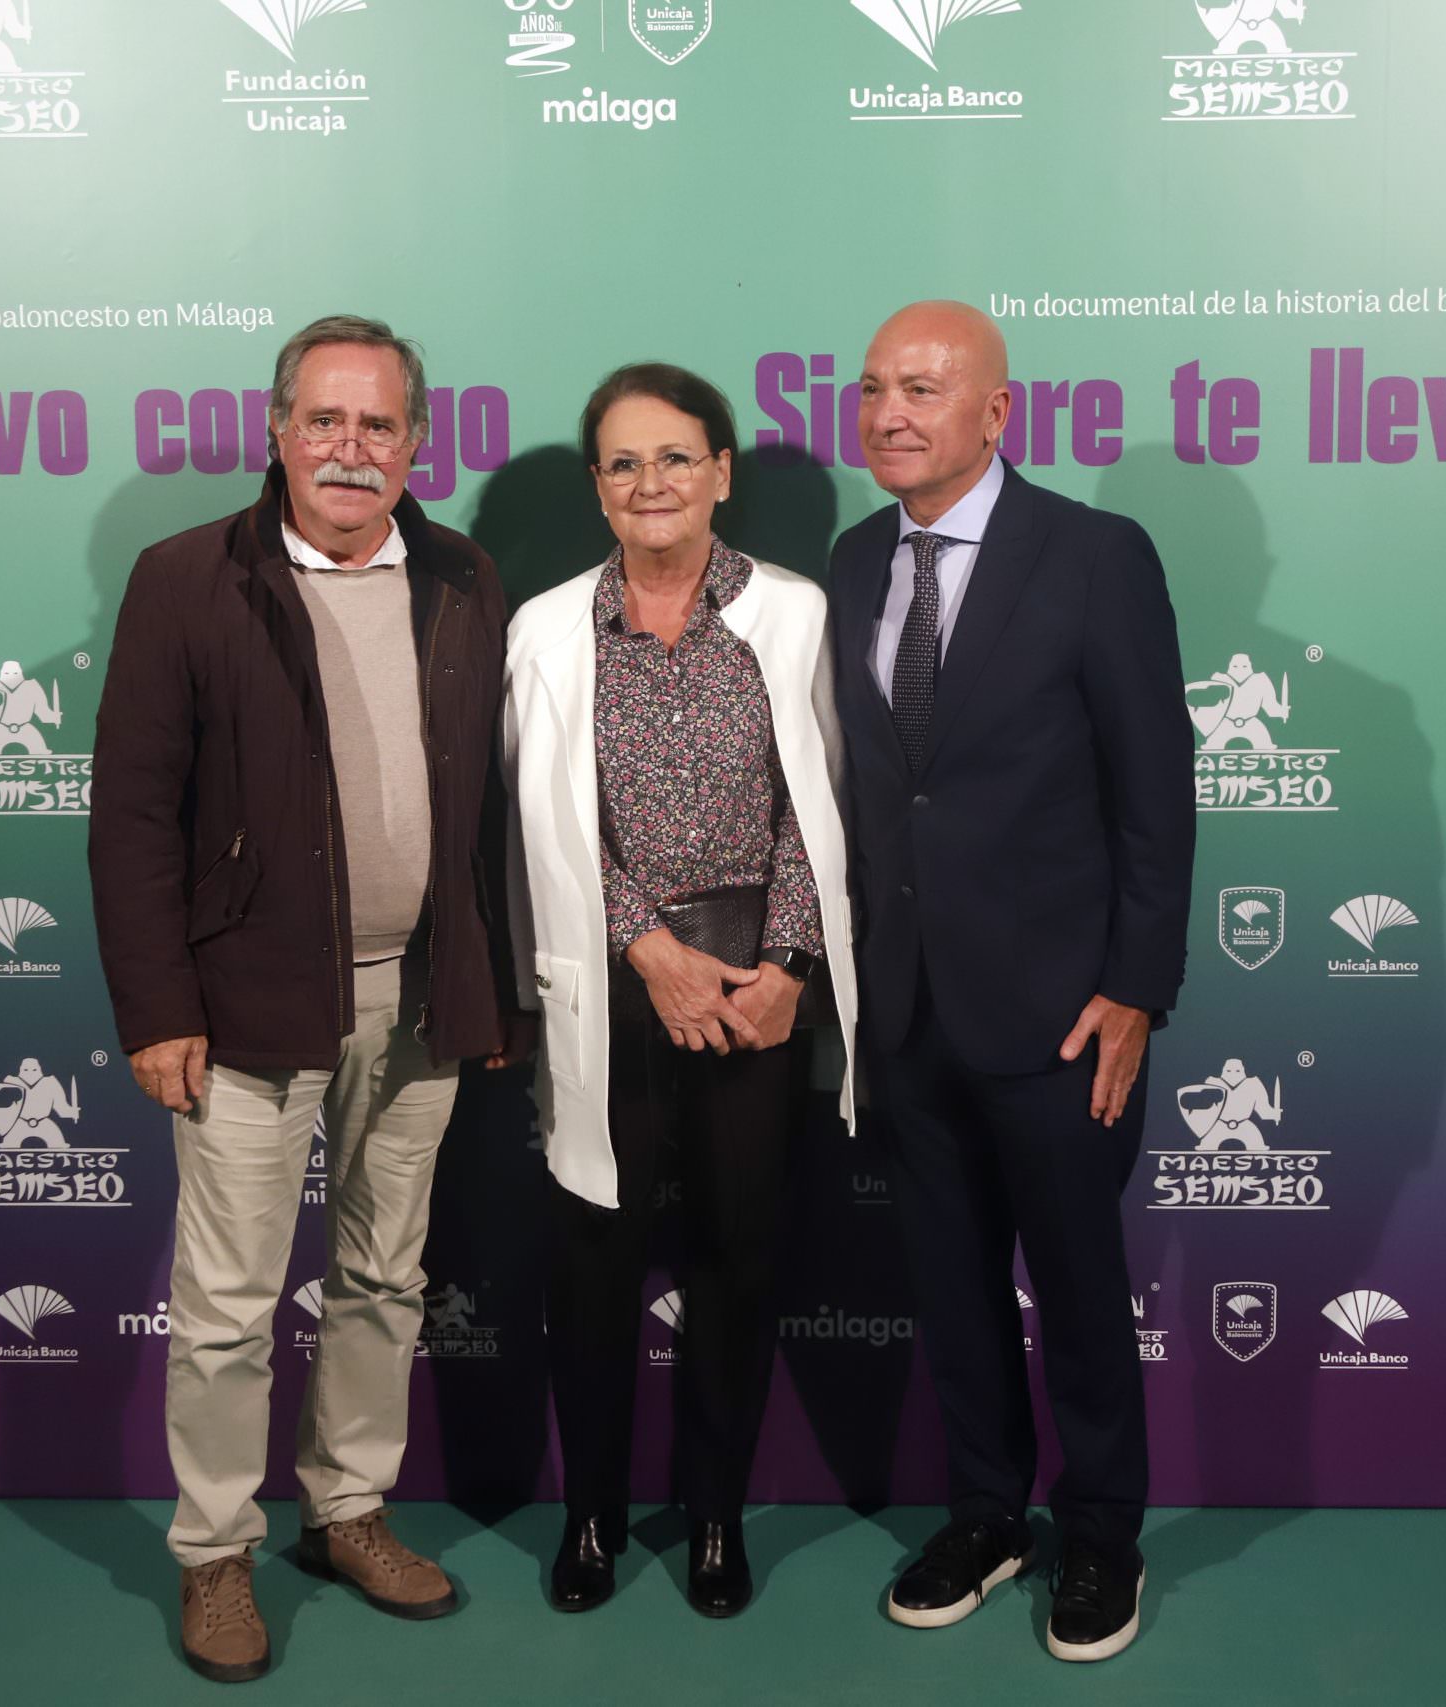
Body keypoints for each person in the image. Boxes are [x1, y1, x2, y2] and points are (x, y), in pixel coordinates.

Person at [90, 313, 529, 1684]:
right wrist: (159, 1007)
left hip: (422, 997)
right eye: (323, 419)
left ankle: (347, 1510)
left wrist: (493, 984)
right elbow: (133, 814)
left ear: (417, 442)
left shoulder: (463, 577)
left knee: (386, 1276)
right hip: (244, 1005)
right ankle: (216, 1550)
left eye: (377, 423)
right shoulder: (187, 577)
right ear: (277, 429)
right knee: (228, 1303)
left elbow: (496, 805)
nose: (349, 447)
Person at [828, 302, 1193, 1663]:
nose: (890, 413)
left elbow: (1156, 792)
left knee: (1082, 1291)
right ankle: (986, 1515)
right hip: (906, 1007)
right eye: (874, 388)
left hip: (1061, 1014)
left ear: (996, 413)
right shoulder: (854, 558)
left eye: (924, 389)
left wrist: (1137, 989)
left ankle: (1101, 1532)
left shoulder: (1095, 556)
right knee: (952, 1285)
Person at [503, 363, 856, 1620]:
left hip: (756, 983)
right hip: (606, 979)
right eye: (623, 462)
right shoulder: (545, 628)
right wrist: (643, 945)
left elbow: (823, 806)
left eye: (674, 456)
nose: (650, 482)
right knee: (591, 1258)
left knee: (739, 1256)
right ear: (597, 488)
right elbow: (531, 823)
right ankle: (592, 1519)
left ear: (719, 472)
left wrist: (790, 969)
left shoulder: (793, 613)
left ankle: (713, 1519)